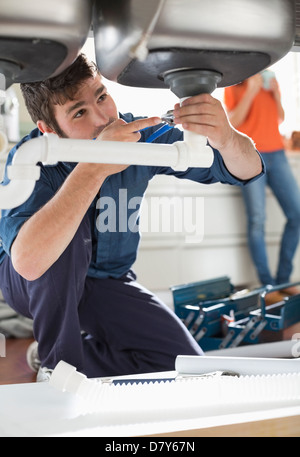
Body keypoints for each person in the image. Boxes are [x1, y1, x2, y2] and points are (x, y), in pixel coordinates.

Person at [0, 54, 263, 381]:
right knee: (64, 228)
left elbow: (247, 169)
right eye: (79, 112)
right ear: (48, 129)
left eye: (101, 97)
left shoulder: (136, 135)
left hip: (106, 280)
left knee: (183, 366)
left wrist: (225, 136)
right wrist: (94, 168)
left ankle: (58, 358)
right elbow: (29, 262)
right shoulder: (30, 159)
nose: (102, 119)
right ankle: (58, 369)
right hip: (33, 282)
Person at [224, 71, 300, 304]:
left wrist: (276, 93)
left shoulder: (270, 80)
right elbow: (233, 122)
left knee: (297, 214)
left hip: (277, 153)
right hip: (250, 154)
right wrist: (251, 90)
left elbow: (280, 117)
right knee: (257, 219)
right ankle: (267, 285)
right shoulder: (233, 85)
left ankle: (282, 281)